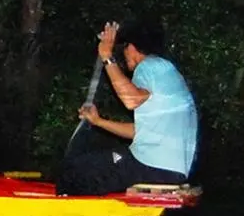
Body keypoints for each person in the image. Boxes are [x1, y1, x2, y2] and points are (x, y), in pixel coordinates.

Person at [56, 20, 198, 196]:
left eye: (124, 48)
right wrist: (98, 121)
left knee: (74, 169)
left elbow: (131, 100)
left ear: (132, 47)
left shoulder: (149, 66)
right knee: (96, 167)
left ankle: (66, 212)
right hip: (172, 171)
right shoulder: (168, 74)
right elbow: (142, 131)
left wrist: (107, 57)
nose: (123, 54)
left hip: (150, 164)